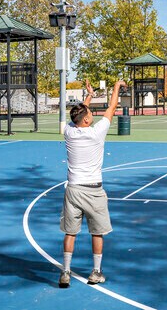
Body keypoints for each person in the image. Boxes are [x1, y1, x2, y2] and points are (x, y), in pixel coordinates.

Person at [59, 79, 127, 288]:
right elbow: (112, 107)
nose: (92, 114)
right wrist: (116, 87)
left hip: (73, 190)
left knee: (70, 232)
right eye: (90, 114)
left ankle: (66, 272)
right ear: (87, 120)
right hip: (93, 191)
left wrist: (89, 95)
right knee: (97, 232)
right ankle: (96, 272)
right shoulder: (97, 133)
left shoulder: (69, 132)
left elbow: (79, 113)